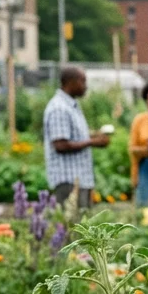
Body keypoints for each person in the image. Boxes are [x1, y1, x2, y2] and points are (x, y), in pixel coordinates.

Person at [43, 66, 110, 209]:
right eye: (82, 81)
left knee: (82, 227)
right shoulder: (59, 108)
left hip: (80, 179)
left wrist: (93, 137)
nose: (85, 86)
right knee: (72, 226)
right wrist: (93, 142)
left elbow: (73, 136)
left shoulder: (72, 105)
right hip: (68, 180)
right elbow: (60, 145)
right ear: (70, 82)